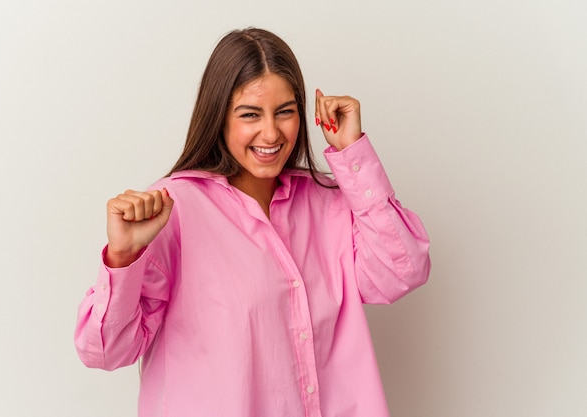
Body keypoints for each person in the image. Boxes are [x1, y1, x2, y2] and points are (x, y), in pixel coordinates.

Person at [75, 27, 431, 417]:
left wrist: (352, 153)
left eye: (285, 112)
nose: (271, 133)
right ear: (219, 117)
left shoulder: (327, 200)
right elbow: (107, 351)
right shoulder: (172, 209)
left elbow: (403, 271)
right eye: (250, 115)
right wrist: (124, 257)